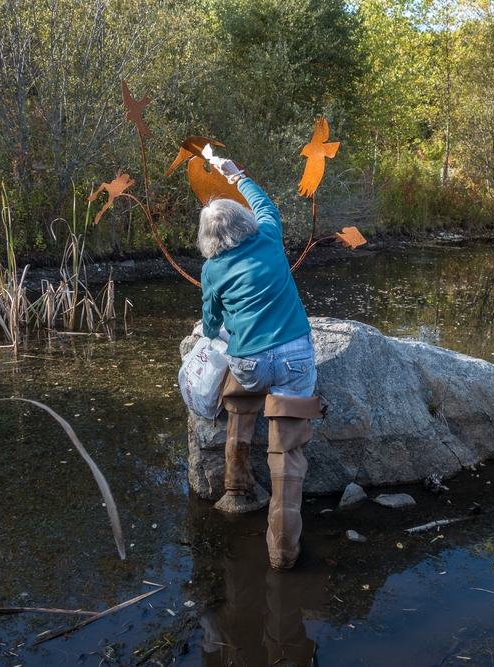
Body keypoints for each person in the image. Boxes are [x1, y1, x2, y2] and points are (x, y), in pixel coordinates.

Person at [198, 155, 323, 570]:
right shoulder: (269, 237)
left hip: (250, 364)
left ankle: (236, 483)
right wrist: (235, 175)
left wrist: (217, 328)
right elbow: (266, 204)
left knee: (238, 389)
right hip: (295, 359)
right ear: (245, 222)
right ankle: (283, 551)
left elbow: (212, 321)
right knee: (286, 449)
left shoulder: (213, 268)